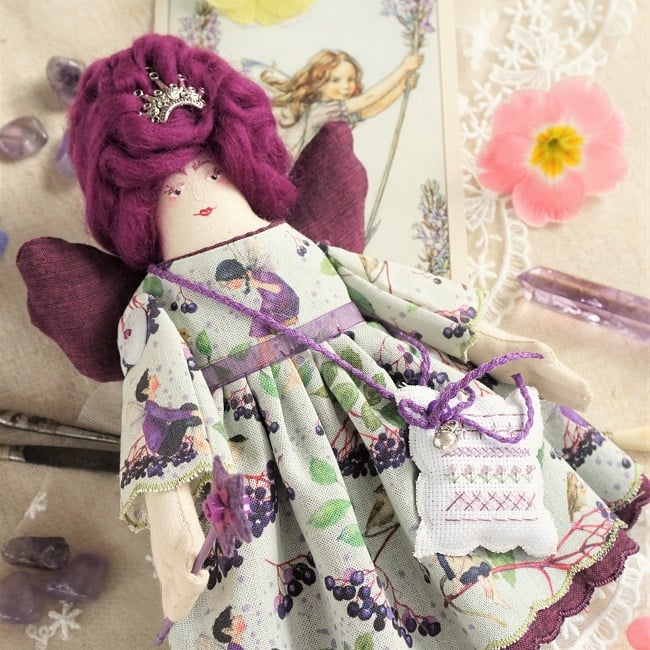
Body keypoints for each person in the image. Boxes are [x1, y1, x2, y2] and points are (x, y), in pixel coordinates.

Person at [64, 34, 647, 649]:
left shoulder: (299, 246)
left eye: (212, 172)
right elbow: (160, 407)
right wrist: (173, 523)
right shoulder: (155, 306)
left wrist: (502, 350)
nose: (199, 197)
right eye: (171, 190)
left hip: (393, 408)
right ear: (135, 206)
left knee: (462, 521)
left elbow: (400, 299)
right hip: (270, 472)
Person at [260, 49, 423, 157]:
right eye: (336, 80)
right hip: (288, 167)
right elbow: (368, 99)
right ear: (319, 83)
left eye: (350, 79)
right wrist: (403, 68)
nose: (346, 86)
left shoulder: (335, 113)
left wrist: (400, 88)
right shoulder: (322, 110)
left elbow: (370, 110)